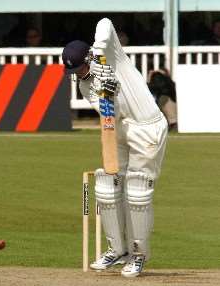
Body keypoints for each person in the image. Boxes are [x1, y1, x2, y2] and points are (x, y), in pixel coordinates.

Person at [62, 18, 168, 277]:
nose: (79, 73)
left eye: (81, 67)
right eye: (74, 71)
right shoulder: (86, 85)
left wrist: (99, 53)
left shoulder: (110, 53)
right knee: (106, 183)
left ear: (89, 56)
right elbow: (113, 115)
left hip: (146, 127)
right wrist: (109, 94)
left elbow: (105, 22)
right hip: (119, 130)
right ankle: (117, 249)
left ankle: (138, 253)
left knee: (137, 187)